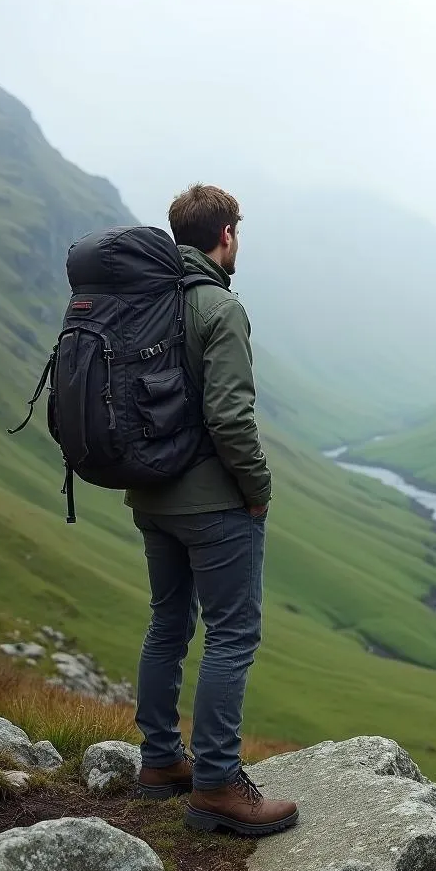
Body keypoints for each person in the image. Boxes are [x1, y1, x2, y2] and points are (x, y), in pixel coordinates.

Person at [128, 184, 298, 836]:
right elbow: (229, 416)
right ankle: (218, 785)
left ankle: (160, 762)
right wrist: (257, 488)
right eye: (239, 232)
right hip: (213, 505)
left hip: (150, 496)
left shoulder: (145, 302)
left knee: (168, 622)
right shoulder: (218, 308)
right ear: (226, 235)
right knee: (231, 634)